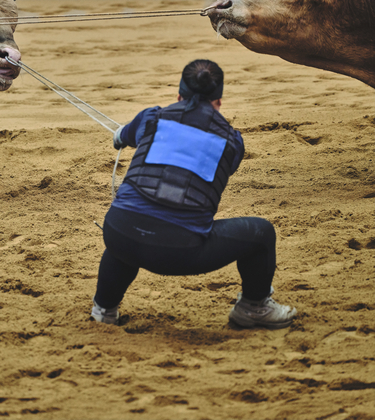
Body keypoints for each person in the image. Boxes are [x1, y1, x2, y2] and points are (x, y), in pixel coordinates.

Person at [91, 59, 297, 329]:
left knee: (130, 227)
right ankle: (253, 307)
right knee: (262, 233)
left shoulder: (150, 117)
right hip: (180, 252)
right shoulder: (232, 142)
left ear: (179, 96)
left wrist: (122, 135)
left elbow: (126, 136)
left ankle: (104, 309)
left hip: (118, 233)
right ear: (218, 102)